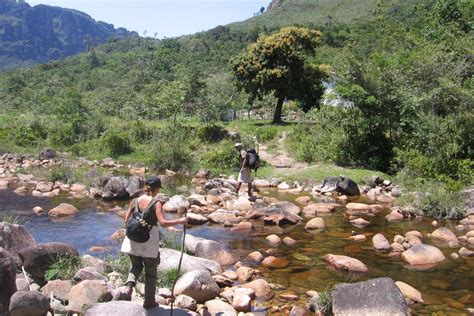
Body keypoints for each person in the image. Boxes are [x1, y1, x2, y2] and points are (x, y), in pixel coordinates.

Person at [121, 176, 187, 308]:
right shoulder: (156, 203)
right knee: (151, 272)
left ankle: (128, 288)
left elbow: (126, 220)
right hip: (148, 242)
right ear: (156, 189)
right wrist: (180, 221)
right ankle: (149, 301)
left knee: (136, 266)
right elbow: (163, 223)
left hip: (132, 239)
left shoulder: (134, 200)